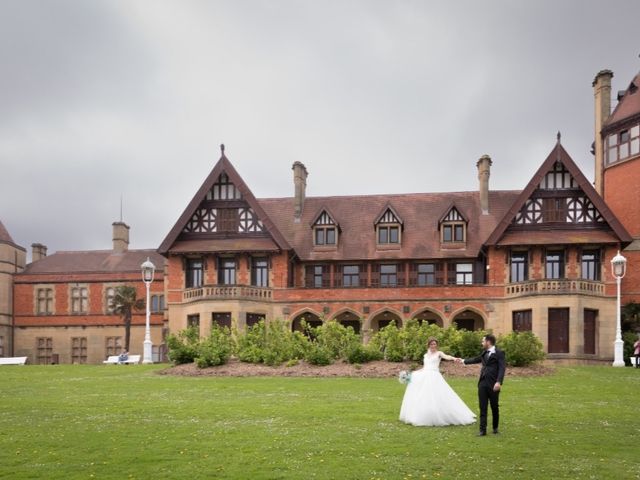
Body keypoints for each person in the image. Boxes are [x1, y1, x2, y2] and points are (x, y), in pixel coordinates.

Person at [399, 338, 476, 427]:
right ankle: (425, 415)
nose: (433, 346)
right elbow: (424, 367)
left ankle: (440, 414)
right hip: (425, 375)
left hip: (434, 376)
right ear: (428, 345)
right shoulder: (425, 355)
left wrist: (455, 358)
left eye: (435, 344)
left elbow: (447, 357)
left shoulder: (439, 353)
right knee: (424, 396)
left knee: (438, 395)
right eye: (431, 344)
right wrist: (413, 373)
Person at [457, 334, 506, 436]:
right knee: (482, 407)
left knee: (494, 406)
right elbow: (476, 359)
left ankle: (495, 427)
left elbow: (502, 368)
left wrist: (498, 382)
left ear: (488, 342)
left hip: (493, 384)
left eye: (483, 341)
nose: (482, 343)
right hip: (482, 383)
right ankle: (482, 430)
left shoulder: (499, 353)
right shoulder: (484, 353)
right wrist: (463, 361)